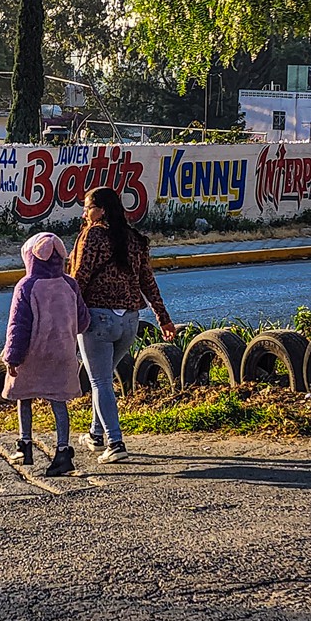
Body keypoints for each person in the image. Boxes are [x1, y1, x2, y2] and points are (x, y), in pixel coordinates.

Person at [67, 186, 177, 463]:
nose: (84, 212)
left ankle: (115, 443)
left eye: (88, 206)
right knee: (101, 379)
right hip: (129, 321)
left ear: (101, 210)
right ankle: (95, 434)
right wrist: (163, 318)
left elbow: (79, 278)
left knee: (100, 380)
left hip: (98, 320)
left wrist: (67, 317)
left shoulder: (92, 236)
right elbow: (148, 283)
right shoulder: (134, 239)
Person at [0, 231, 91, 477]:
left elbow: (18, 326)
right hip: (62, 355)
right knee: (58, 402)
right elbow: (83, 321)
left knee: (24, 396)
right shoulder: (70, 284)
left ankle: (24, 444)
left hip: (33, 355)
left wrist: (12, 358)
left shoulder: (26, 286)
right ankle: (63, 451)